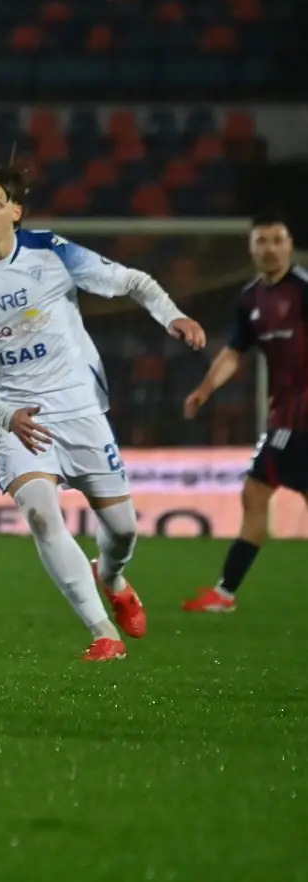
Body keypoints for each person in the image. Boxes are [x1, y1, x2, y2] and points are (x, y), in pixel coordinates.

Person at [0, 165, 206, 661]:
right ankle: (104, 633)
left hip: (77, 404)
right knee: (41, 515)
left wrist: (174, 316)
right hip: (15, 415)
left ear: (17, 211)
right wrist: (5, 415)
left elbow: (134, 282)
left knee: (123, 528)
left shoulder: (53, 253)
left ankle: (114, 576)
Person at [182, 214, 308, 612]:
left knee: (256, 489)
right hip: (283, 413)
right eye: (262, 241)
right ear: (251, 249)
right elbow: (235, 351)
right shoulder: (251, 298)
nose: (270, 248)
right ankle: (224, 593)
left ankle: (224, 594)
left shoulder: (303, 291)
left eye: (278, 240)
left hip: (301, 416)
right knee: (256, 494)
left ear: (290, 246)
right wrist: (205, 388)